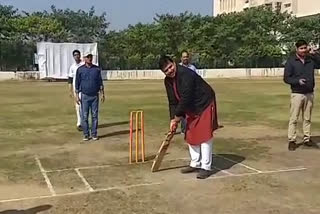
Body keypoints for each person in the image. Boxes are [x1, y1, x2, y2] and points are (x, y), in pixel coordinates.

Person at [159, 55, 219, 179]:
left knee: (204, 135)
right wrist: (172, 119)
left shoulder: (186, 74)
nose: (170, 71)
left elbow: (186, 97)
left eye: (170, 67)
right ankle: (195, 163)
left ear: (174, 63)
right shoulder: (167, 81)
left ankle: (206, 167)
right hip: (190, 106)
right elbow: (172, 101)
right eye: (166, 70)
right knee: (190, 133)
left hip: (204, 102)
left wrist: (177, 117)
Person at [284, 39, 320, 151]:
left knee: (307, 118)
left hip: (309, 93)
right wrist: (297, 81)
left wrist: (315, 53)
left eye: (305, 48)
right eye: (301, 48)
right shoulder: (291, 61)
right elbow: (286, 78)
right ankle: (292, 140)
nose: (303, 50)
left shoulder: (310, 60)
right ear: (297, 49)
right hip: (297, 93)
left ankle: (307, 138)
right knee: (294, 118)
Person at [75, 53, 105, 141]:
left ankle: (94, 134)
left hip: (95, 95)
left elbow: (100, 82)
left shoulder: (96, 69)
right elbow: (77, 84)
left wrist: (102, 93)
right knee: (84, 116)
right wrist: (77, 96)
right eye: (87, 57)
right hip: (84, 95)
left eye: (91, 57)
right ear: (84, 58)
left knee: (94, 116)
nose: (90, 58)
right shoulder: (80, 70)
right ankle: (86, 134)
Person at [179, 51, 198, 134]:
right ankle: (183, 129)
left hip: (191, 93)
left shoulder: (192, 68)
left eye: (186, 57)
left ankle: (192, 127)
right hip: (181, 92)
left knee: (191, 111)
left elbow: (196, 79)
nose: (185, 58)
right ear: (181, 58)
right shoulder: (178, 67)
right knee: (182, 110)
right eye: (184, 57)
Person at [68, 50, 84, 131]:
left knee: (84, 106)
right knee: (78, 106)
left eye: (78, 54)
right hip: (76, 89)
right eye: (75, 55)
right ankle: (79, 123)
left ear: (80, 55)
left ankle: (84, 122)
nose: (76, 56)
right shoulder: (72, 66)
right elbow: (70, 79)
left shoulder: (83, 65)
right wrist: (70, 90)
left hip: (84, 88)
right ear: (73, 56)